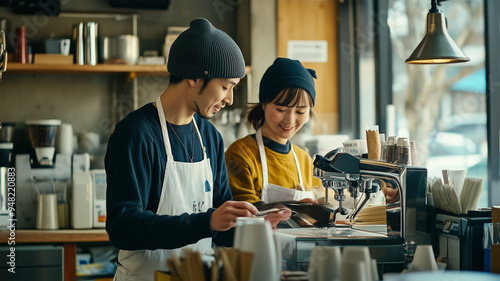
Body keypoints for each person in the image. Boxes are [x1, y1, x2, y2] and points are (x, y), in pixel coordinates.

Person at [105, 18, 259, 281]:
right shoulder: (136, 134)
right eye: (225, 86)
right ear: (194, 76)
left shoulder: (210, 137)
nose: (230, 99)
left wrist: (256, 226)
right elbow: (124, 226)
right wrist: (205, 222)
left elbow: (222, 221)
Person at [225, 58, 322, 208]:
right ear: (263, 104)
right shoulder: (240, 154)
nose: (290, 120)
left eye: (300, 111)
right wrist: (293, 208)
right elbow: (242, 208)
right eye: (281, 110)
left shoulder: (305, 160)